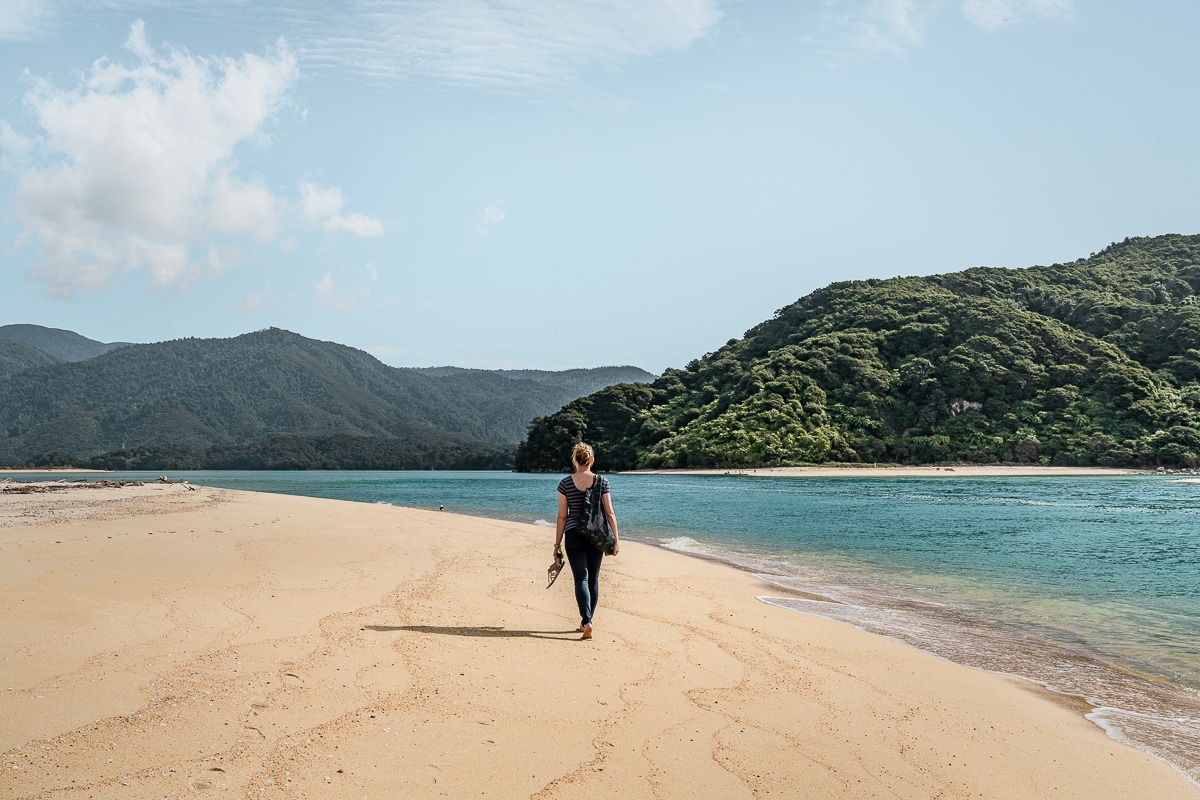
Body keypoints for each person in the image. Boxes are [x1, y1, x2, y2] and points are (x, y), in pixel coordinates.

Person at [555, 442, 619, 640]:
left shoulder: (565, 483)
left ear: (575, 460)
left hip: (574, 533)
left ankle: (586, 620)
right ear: (592, 460)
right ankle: (587, 621)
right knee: (593, 580)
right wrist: (616, 539)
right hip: (596, 535)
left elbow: (562, 516)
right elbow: (609, 512)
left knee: (580, 579)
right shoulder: (602, 481)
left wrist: (557, 544)